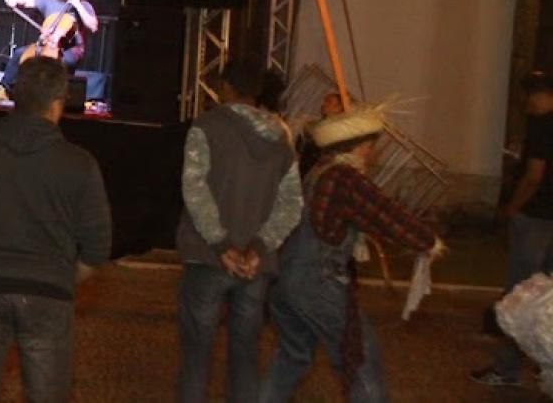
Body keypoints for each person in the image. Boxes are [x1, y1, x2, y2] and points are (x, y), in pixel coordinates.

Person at [0, 57, 112, 402]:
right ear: (59, 102)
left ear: (15, 95)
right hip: (49, 291)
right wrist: (62, 275)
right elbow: (97, 245)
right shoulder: (79, 164)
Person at [260, 105, 444, 402]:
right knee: (360, 359)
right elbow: (384, 213)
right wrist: (427, 241)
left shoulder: (318, 172)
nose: (373, 153)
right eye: (372, 146)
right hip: (318, 281)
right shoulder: (345, 178)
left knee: (292, 357)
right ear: (363, 146)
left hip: (286, 279)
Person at [176, 61, 302, 403]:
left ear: (225, 88)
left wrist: (221, 244)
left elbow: (194, 189)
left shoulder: (207, 127)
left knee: (196, 357)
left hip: (207, 258)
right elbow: (291, 203)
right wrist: (259, 248)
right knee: (245, 355)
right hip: (255, 266)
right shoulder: (281, 137)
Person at [471, 71, 553, 389]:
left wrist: (512, 207)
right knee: (547, 297)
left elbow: (533, 176)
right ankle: (544, 361)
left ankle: (507, 369)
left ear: (537, 94)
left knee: (518, 297)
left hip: (535, 217)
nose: (524, 103)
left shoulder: (542, 127)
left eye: (526, 96)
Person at [0, 0, 99, 91]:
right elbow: (27, 1)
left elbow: (93, 27)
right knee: (19, 53)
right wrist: (14, 0)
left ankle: (55, 95)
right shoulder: (48, 1)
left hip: (72, 48)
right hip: (48, 44)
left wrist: (77, 5)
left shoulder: (84, 5)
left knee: (60, 61)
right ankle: (4, 90)